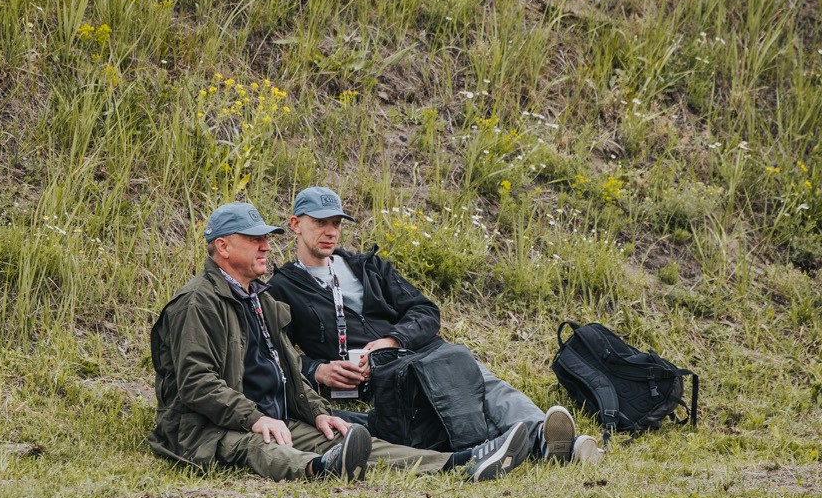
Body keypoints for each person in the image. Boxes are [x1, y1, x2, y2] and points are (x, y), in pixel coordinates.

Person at [148, 202, 534, 482]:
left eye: (266, 238)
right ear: (223, 248)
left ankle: (461, 463)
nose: (266, 246)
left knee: (346, 433)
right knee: (260, 447)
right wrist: (255, 418)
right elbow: (197, 383)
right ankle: (323, 468)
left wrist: (317, 412)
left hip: (276, 417)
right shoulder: (197, 302)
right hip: (207, 429)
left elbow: (288, 370)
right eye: (254, 240)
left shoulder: (260, 298)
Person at [266, 186, 601, 464]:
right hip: (380, 378)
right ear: (296, 224)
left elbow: (426, 311)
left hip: (420, 351)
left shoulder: (368, 266)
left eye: (337, 223)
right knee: (452, 400)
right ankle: (537, 445)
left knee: (480, 379)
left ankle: (544, 435)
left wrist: (393, 339)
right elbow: (274, 353)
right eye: (320, 222)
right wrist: (318, 371)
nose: (331, 231)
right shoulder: (281, 288)